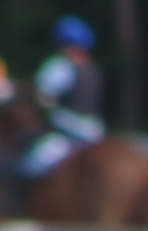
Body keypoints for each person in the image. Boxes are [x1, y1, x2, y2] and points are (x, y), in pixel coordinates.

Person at [20, 16, 110, 182]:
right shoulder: (94, 69)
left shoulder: (59, 66)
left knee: (29, 165)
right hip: (95, 133)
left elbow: (42, 98)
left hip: (67, 133)